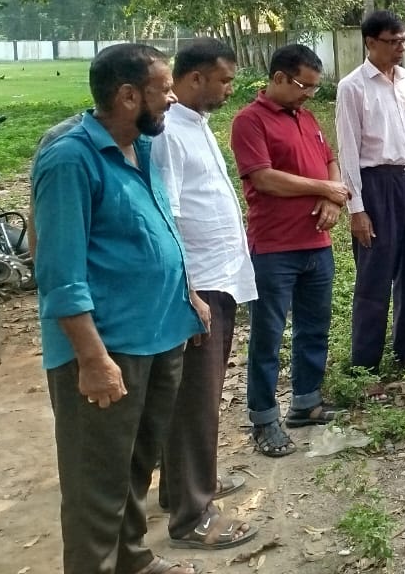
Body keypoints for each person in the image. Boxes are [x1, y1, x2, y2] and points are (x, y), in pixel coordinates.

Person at [33, 43, 203, 574]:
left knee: (135, 465)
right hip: (108, 347)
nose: (173, 98)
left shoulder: (142, 147)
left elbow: (158, 230)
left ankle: (133, 560)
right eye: (164, 89)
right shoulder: (71, 159)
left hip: (160, 334)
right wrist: (92, 360)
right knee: (96, 484)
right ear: (129, 96)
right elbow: (58, 273)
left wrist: (188, 294)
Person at [153, 39, 257, 551]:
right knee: (195, 401)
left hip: (220, 278)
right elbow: (168, 216)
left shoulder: (195, 123)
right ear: (195, 78)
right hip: (200, 287)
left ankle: (182, 488)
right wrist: (187, 290)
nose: (230, 88)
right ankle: (192, 516)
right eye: (224, 80)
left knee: (201, 395)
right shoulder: (169, 134)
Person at [230, 43, 348, 458]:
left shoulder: (307, 117)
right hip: (274, 247)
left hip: (316, 243)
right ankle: (264, 418)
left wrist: (333, 197)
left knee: (314, 327)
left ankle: (305, 402)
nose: (309, 94)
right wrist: (325, 188)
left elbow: (330, 160)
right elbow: (264, 178)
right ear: (279, 78)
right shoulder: (249, 121)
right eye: (304, 86)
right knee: (268, 335)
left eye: (314, 87)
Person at [336, 11, 405, 375]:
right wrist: (356, 209)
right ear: (371, 42)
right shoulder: (353, 87)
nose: (400, 48)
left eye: (403, 41)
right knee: (375, 272)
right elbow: (348, 149)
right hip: (378, 184)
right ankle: (365, 361)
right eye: (393, 42)